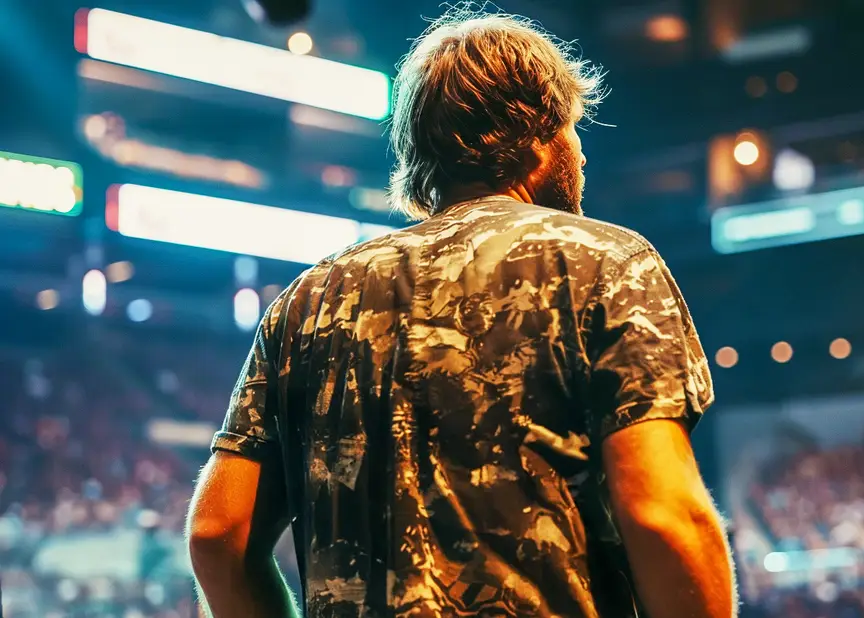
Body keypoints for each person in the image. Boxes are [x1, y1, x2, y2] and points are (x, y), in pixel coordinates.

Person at [186, 7, 736, 618]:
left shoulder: (307, 302)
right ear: (534, 136)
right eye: (572, 129)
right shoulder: (604, 262)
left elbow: (217, 535)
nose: (581, 154)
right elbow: (664, 515)